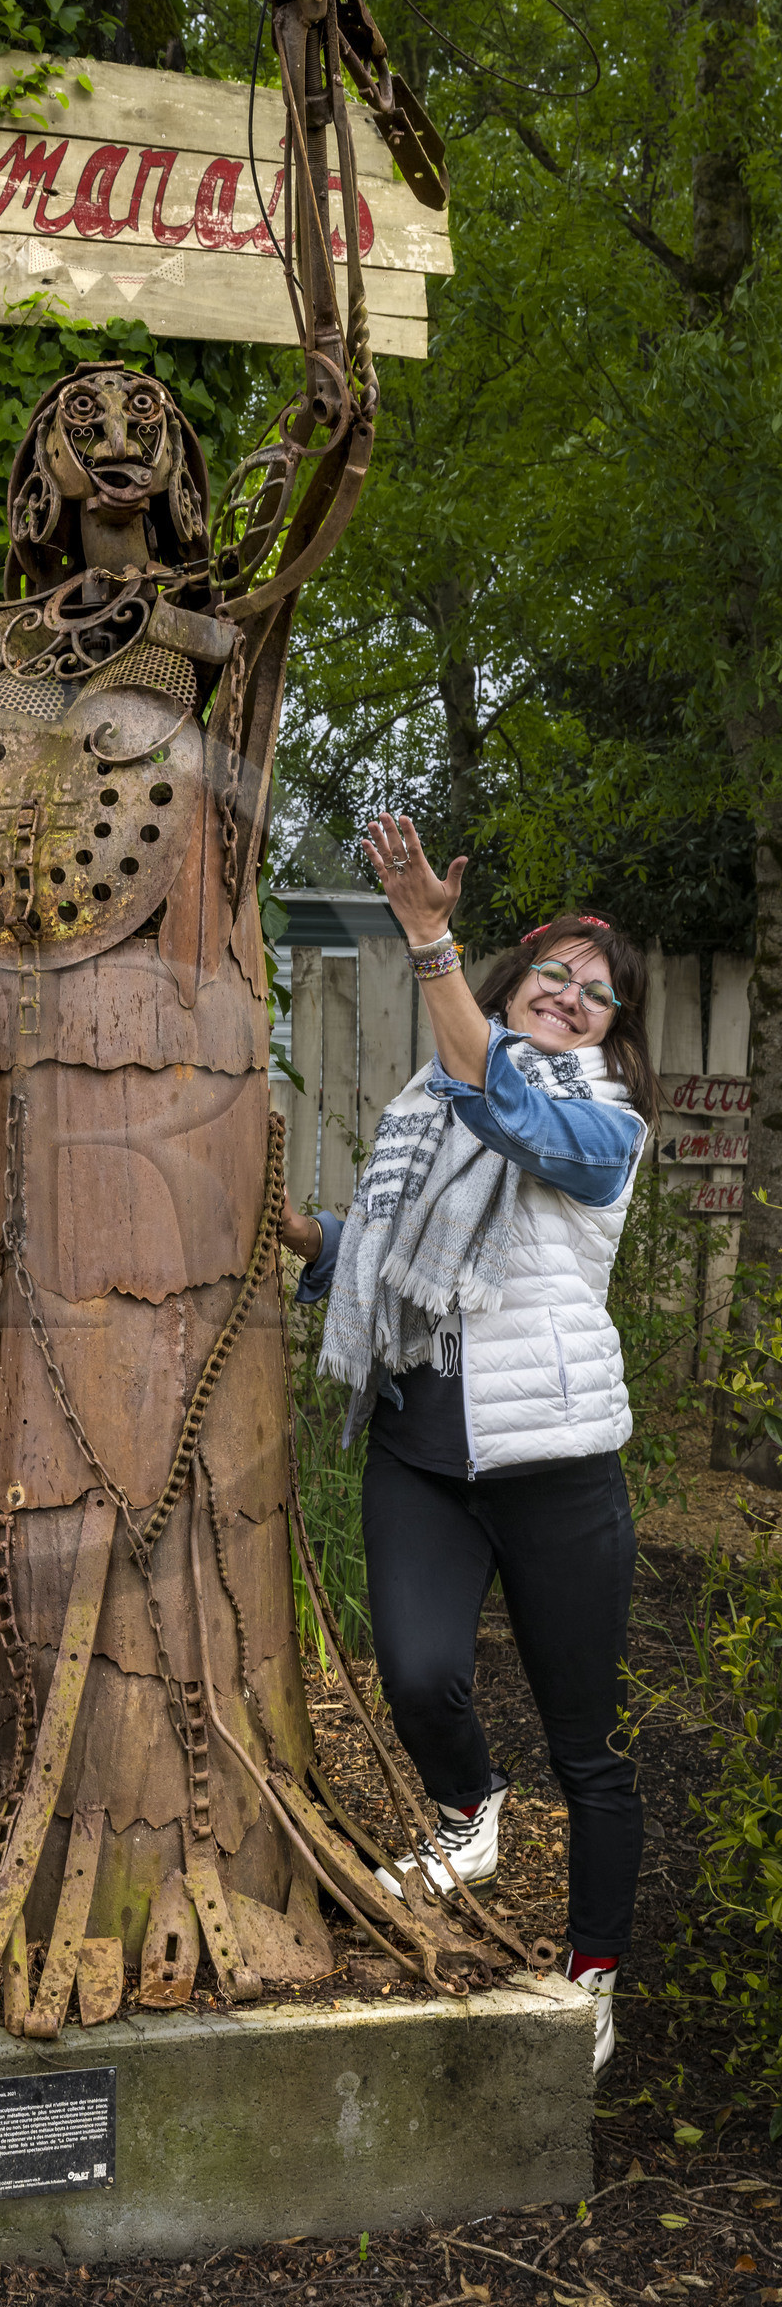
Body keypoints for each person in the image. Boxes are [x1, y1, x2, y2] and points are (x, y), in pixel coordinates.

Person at [281, 814, 657, 2074]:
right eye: (553, 973)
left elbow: (510, 1108)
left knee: (587, 1751)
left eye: (596, 994)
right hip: (422, 1454)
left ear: (611, 1030)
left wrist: (425, 942)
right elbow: (397, 1265)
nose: (571, 996)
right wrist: (306, 1238)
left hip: (557, 1472)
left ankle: (592, 1975)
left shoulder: (602, 1128)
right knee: (417, 1673)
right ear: (514, 985)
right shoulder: (426, 1110)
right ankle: (466, 1812)